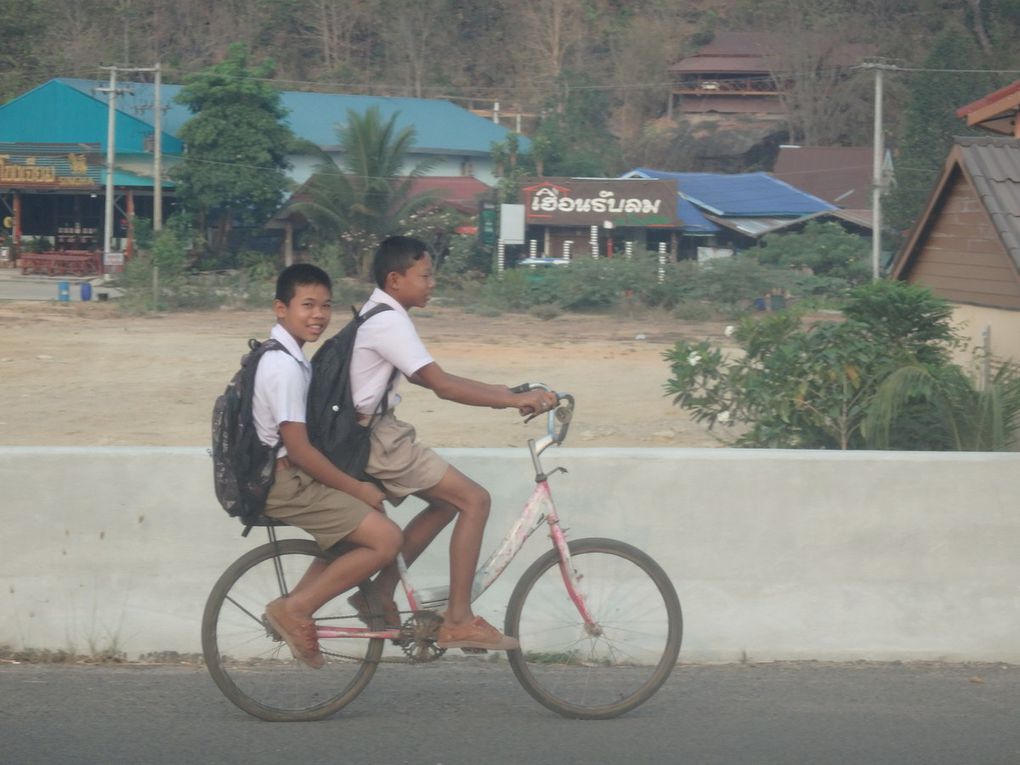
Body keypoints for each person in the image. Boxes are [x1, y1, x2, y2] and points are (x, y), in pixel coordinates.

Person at [348, 235, 558, 650]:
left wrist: (503, 391)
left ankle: (381, 590)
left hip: (371, 433)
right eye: (425, 276)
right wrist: (511, 400)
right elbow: (440, 385)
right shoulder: (389, 321)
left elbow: (430, 377)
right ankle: (458, 619)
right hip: (377, 438)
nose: (432, 284)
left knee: (446, 502)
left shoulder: (376, 313)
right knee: (474, 500)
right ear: (395, 279)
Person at [253, 263, 403, 668]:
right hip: (287, 483)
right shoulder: (283, 367)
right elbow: (300, 451)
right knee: (386, 539)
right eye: (307, 305)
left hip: (288, 476)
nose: (318, 315)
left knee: (361, 530)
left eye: (325, 306)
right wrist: (358, 489)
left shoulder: (287, 355)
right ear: (280, 308)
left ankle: (294, 607)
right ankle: (295, 609)